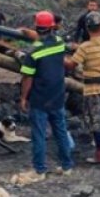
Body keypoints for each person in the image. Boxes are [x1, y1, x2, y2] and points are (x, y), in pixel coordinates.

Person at [15, 11, 73, 184]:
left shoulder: (33, 52)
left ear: (36, 27)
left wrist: (23, 98)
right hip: (58, 95)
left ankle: (40, 169)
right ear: (52, 27)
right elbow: (45, 39)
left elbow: (27, 78)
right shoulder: (59, 43)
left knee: (39, 134)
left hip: (40, 98)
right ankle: (66, 165)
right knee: (60, 131)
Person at [65, 11, 100, 164]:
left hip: (93, 89)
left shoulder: (85, 47)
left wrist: (61, 57)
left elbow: (71, 65)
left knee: (96, 122)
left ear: (87, 29)